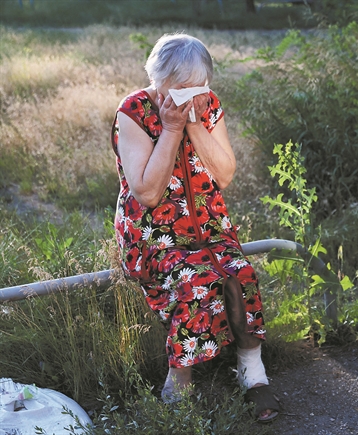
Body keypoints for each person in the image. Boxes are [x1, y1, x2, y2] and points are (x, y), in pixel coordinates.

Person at [110, 32, 280, 423]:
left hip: (209, 222)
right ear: (159, 82)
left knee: (241, 272)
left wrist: (192, 123)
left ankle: (252, 372)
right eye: (179, 88)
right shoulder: (134, 111)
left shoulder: (208, 105)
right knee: (195, 280)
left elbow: (224, 174)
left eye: (197, 86)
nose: (190, 95)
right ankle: (180, 377)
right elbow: (148, 193)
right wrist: (170, 128)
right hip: (155, 232)